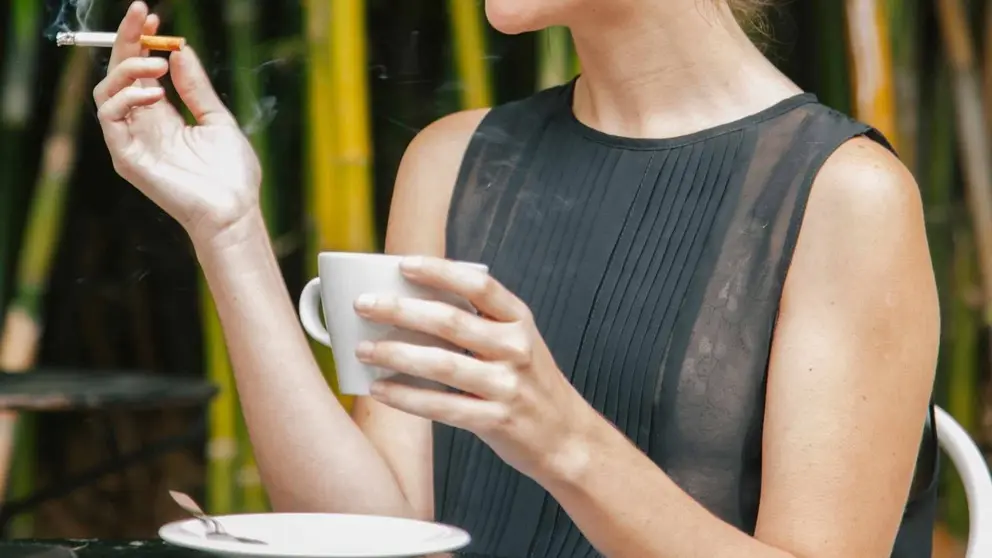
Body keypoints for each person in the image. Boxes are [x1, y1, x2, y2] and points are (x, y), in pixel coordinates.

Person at [93, 0, 940, 556]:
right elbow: (376, 531)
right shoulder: (454, 162)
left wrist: (561, 436)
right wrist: (228, 228)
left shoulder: (844, 196)